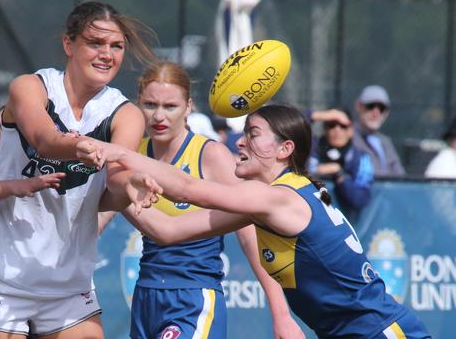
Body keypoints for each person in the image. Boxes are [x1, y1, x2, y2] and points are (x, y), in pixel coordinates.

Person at [77, 103, 431, 339]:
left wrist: (120, 152)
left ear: (284, 149)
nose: (240, 142)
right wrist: (117, 184)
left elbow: (185, 188)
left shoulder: (278, 197)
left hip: (379, 332)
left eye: (252, 134)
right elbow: (169, 231)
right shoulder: (265, 202)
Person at [0, 1, 156, 339]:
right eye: (95, 43)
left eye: (116, 46)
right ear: (69, 44)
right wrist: (78, 145)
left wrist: (130, 185)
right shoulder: (30, 87)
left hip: (68, 286)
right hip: (2, 277)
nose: (106, 54)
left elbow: (114, 185)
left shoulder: (125, 114)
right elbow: (44, 138)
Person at [121, 62, 302, 339]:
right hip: (145, 296)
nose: (159, 115)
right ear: (138, 104)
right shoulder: (135, 153)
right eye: (150, 104)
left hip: (193, 299)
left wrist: (281, 314)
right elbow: (104, 207)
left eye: (170, 106)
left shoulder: (210, 155)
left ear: (188, 107)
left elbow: (249, 233)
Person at [308, 108, 374, 222]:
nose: (337, 130)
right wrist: (320, 115)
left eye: (343, 126)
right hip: (311, 219)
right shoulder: (312, 148)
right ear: (325, 128)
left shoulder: (361, 158)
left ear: (351, 130)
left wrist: (340, 174)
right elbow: (291, 121)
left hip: (344, 223)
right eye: (332, 124)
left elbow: (360, 199)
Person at [352, 85, 405, 176]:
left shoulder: (385, 142)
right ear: (358, 106)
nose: (376, 113)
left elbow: (400, 177)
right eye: (370, 106)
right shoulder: (348, 137)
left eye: (381, 108)